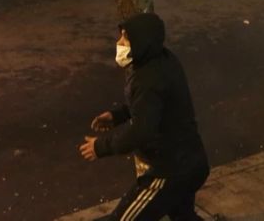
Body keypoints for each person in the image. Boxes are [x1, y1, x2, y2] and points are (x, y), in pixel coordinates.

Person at [80, 13, 210, 221]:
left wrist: (101, 147)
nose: (119, 43)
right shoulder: (162, 60)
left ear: (142, 41)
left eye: (126, 38)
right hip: (191, 162)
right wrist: (118, 115)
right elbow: (152, 105)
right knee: (183, 215)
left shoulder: (147, 77)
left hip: (171, 170)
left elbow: (141, 130)